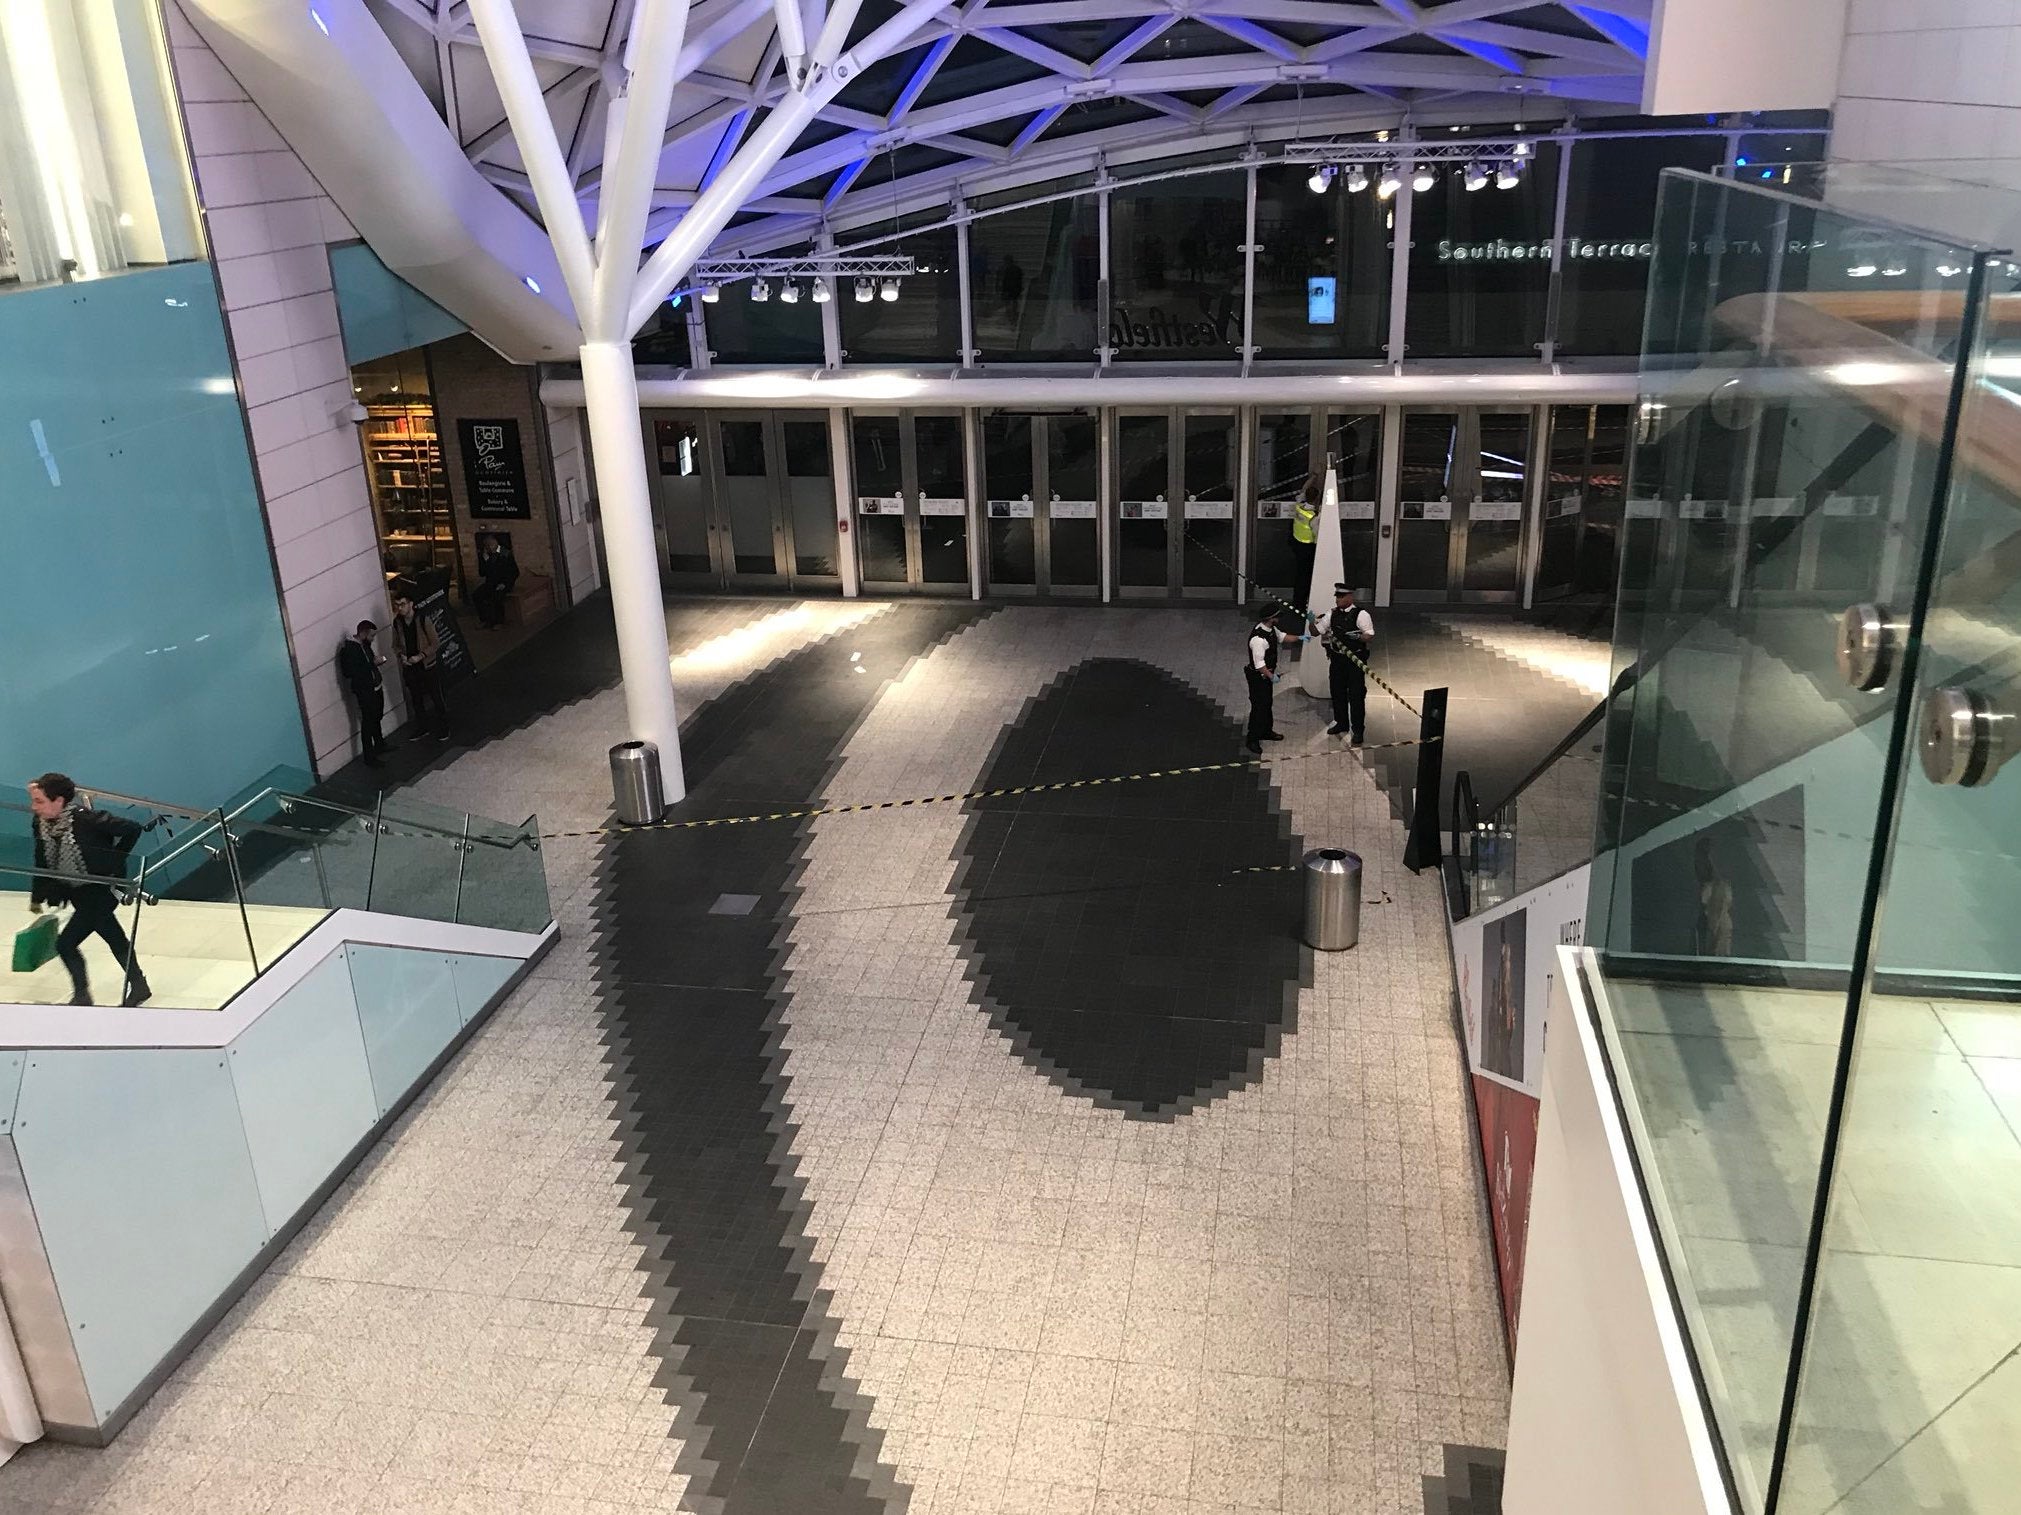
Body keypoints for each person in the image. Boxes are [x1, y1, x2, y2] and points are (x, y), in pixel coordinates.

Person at [28, 774, 149, 1007]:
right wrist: (38, 895)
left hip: (100, 890)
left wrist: (114, 861)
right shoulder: (41, 824)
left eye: (40, 801)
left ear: (59, 800)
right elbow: (41, 858)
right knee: (113, 936)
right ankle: (138, 985)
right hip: (77, 892)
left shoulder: (87, 820)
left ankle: (83, 995)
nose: (34, 807)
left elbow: (132, 829)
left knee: (66, 943)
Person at [1312, 583, 1376, 745]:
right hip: (1337, 659)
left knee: (1356, 695)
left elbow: (1369, 635)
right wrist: (1311, 622)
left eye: (1341, 597)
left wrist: (1358, 637)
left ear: (1350, 597)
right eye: (1337, 596)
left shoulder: (1361, 615)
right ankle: (1341, 723)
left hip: (1355, 660)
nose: (1337, 599)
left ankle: (1358, 730)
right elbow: (1316, 632)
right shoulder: (1331, 614)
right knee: (1337, 692)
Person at [1244, 607, 1305, 755]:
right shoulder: (1258, 640)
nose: (1279, 619)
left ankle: (1266, 731)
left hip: (1266, 676)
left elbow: (1282, 637)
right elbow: (1259, 665)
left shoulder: (1270, 630)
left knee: (1266, 704)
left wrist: (1300, 638)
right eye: (1277, 617)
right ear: (1271, 618)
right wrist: (1272, 677)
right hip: (1259, 677)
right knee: (1259, 706)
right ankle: (1252, 738)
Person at [391, 589, 449, 740]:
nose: (400, 608)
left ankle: (444, 727)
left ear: (411, 604)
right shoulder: (397, 623)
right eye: (397, 605)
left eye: (402, 604)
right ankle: (423, 727)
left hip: (426, 665)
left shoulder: (423, 619)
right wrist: (401, 655)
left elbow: (435, 642)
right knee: (416, 699)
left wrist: (421, 655)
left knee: (436, 696)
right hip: (410, 666)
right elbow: (395, 644)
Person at [338, 620, 390, 766]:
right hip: (365, 690)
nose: (373, 639)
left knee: (377, 716)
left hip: (375, 686)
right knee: (368, 722)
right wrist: (373, 664)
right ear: (363, 633)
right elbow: (351, 672)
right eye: (372, 635)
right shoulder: (350, 650)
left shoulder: (365, 646)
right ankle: (369, 756)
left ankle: (379, 743)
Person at [472, 539, 519, 628]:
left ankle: (499, 621)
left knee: (496, 596)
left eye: (491, 545)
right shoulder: (486, 556)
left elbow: (514, 572)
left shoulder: (505, 553)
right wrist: (484, 561)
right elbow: (482, 573)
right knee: (476, 595)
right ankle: (484, 619)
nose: (490, 548)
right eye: (488, 546)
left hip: (504, 583)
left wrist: (505, 584)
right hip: (491, 583)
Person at [1289, 477, 1320, 609]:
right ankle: (1302, 603)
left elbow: (1303, 489)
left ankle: (1297, 601)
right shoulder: (1314, 517)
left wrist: (1314, 476)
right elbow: (1317, 536)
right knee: (1306, 576)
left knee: (1299, 575)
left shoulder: (1299, 505)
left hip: (1296, 543)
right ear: (1317, 499)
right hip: (1308, 549)